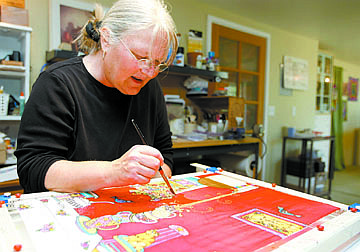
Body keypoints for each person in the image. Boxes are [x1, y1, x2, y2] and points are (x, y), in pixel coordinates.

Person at [15, 0, 178, 193]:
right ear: (106, 39)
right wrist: (116, 172)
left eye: (157, 63)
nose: (149, 72)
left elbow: (165, 157)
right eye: (140, 57)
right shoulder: (58, 83)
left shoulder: (150, 88)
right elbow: (33, 168)